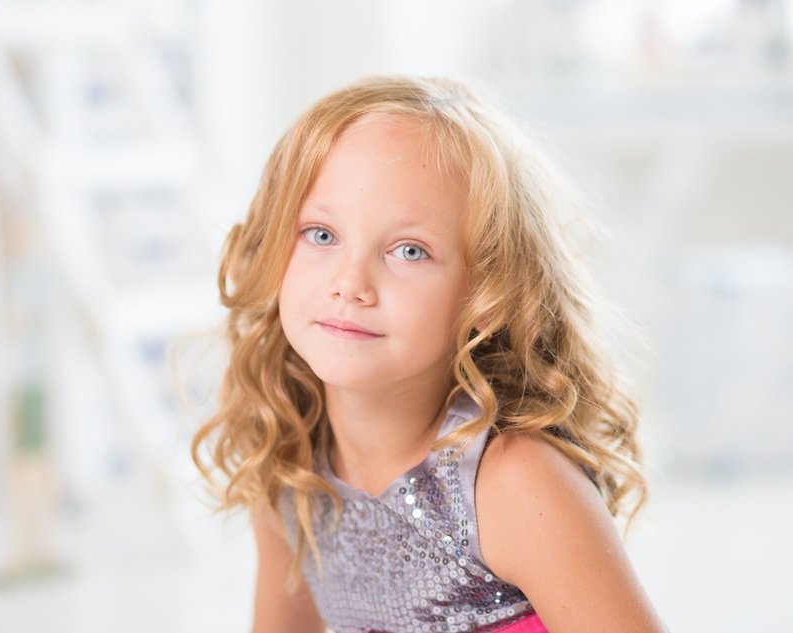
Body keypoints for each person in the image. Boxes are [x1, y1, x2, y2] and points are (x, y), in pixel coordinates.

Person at [192, 75, 666, 633]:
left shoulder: (516, 483)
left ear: (487, 298)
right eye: (320, 235)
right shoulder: (290, 470)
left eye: (409, 251)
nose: (350, 283)